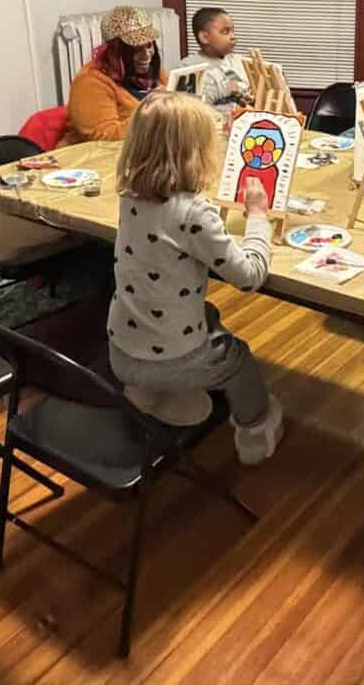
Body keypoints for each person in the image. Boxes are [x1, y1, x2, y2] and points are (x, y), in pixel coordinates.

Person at [107, 91, 284, 464]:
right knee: (238, 359)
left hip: (121, 352)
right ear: (195, 152)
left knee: (208, 314)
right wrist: (257, 216)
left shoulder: (129, 195)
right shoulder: (193, 213)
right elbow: (250, 276)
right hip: (172, 360)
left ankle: (150, 393)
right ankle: (256, 431)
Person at [63, 6, 169, 143]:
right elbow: (103, 137)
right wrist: (150, 109)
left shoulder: (155, 72)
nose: (146, 55)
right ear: (115, 51)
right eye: (136, 49)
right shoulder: (89, 82)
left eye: (149, 46)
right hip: (98, 153)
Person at [189, 8, 252, 116]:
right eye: (225, 32)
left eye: (233, 31)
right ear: (204, 37)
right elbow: (196, 113)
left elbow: (240, 89)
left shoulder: (233, 60)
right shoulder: (192, 69)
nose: (233, 37)